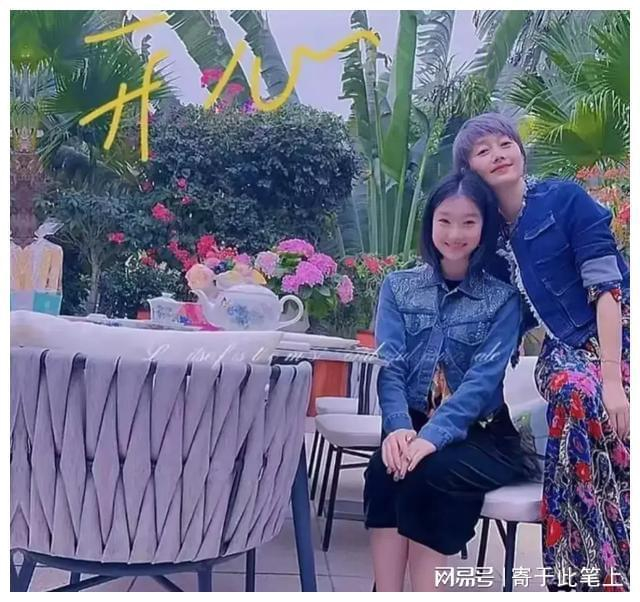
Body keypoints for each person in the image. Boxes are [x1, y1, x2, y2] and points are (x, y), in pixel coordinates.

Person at [452, 112, 630, 591]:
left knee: (600, 407)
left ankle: (605, 565)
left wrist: (612, 379)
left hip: (617, 332)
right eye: (483, 150)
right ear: (469, 169)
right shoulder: (486, 238)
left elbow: (607, 289)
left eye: (505, 143)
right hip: (564, 349)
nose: (498, 154)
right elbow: (488, 316)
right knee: (572, 391)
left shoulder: (565, 200)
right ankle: (594, 569)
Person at [363, 171, 537, 592]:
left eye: (468, 222)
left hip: (483, 436)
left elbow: (482, 382)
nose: (455, 233)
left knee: (429, 474)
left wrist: (432, 437)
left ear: (484, 227)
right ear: (431, 223)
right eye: (445, 220)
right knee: (383, 472)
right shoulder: (399, 287)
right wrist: (398, 428)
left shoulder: (503, 299)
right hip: (412, 424)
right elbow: (389, 364)